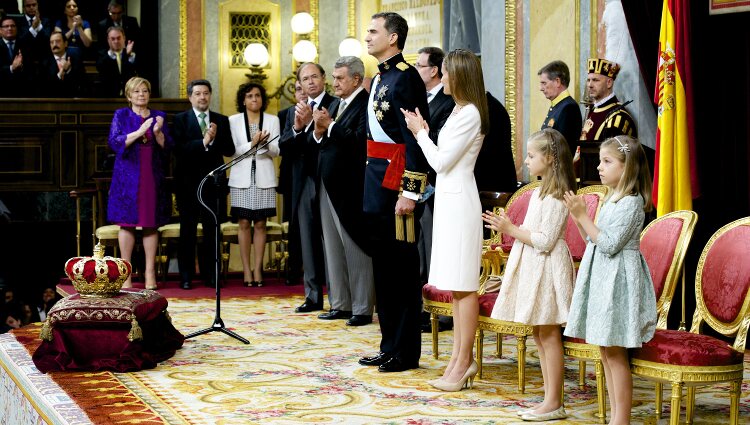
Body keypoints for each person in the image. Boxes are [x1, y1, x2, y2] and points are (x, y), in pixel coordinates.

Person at [402, 48, 488, 390]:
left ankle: (465, 361)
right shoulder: (458, 111)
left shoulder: (470, 115)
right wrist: (424, 131)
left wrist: (419, 133)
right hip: (450, 203)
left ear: (461, 76)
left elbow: (441, 162)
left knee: (464, 288)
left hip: (460, 201)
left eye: (448, 73)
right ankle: (457, 360)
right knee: (455, 288)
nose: (444, 77)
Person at [482, 128, 576, 419]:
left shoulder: (558, 195)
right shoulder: (539, 192)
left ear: (549, 159)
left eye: (532, 155)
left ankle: (555, 401)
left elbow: (546, 240)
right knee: (539, 332)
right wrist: (510, 225)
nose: (526, 160)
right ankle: (550, 398)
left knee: (548, 335)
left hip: (548, 268)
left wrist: (510, 230)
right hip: (535, 265)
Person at [563, 136, 656, 425]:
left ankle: (621, 419)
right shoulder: (612, 198)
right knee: (605, 351)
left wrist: (583, 216)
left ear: (627, 167)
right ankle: (616, 416)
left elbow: (610, 243)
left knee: (615, 354)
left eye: (607, 161)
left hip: (619, 282)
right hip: (604, 277)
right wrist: (579, 219)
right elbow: (592, 240)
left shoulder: (631, 202)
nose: (600, 167)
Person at [358, 12, 429, 373]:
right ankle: (389, 345)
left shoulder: (406, 78)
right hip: (375, 182)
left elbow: (415, 139)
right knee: (383, 270)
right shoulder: (382, 78)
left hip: (397, 183)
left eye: (373, 31)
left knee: (401, 271)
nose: (367, 37)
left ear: (394, 38)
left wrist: (411, 192)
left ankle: (405, 351)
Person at [312, 56, 374, 326]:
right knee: (333, 247)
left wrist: (331, 126)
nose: (334, 83)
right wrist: (317, 130)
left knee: (354, 245)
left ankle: (361, 307)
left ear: (357, 79)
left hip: (351, 186)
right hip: (328, 183)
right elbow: (324, 141)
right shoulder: (336, 103)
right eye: (334, 77)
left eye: (340, 78)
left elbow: (360, 143)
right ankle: (340, 303)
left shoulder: (365, 104)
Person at [279, 62, 335, 312]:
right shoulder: (295, 111)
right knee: (307, 241)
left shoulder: (335, 104)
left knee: (331, 242)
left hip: (329, 180)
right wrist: (298, 128)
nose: (310, 82)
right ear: (299, 84)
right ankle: (312, 296)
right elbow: (285, 147)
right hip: (303, 183)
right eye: (305, 78)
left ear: (324, 78)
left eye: (315, 76)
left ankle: (338, 297)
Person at [107, 77, 173, 290]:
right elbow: (115, 142)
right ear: (129, 96)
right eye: (136, 91)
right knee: (126, 222)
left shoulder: (159, 116)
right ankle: (125, 273)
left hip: (151, 173)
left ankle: (149, 273)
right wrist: (139, 131)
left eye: (145, 91)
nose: (141, 94)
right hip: (128, 173)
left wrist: (157, 133)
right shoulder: (122, 115)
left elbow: (167, 146)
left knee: (150, 222)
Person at [173, 79, 235, 290]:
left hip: (213, 185)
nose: (202, 97)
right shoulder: (180, 120)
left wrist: (215, 138)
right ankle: (186, 277)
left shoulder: (221, 120)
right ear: (190, 97)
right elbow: (178, 150)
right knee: (187, 231)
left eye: (206, 93)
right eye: (198, 93)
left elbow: (229, 149)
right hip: (187, 184)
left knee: (212, 231)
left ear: (210, 95)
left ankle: (211, 276)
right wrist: (203, 141)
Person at [227, 82, 280, 287]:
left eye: (257, 96)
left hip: (264, 177)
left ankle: (258, 269)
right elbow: (231, 150)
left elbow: (276, 150)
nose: (254, 99)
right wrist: (253, 143)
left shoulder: (272, 120)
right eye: (249, 96)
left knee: (260, 224)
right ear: (243, 100)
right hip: (241, 178)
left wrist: (264, 144)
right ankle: (246, 270)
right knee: (243, 224)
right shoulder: (233, 121)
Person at [414, 46, 454, 287]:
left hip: (436, 180)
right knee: (419, 245)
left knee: (433, 244)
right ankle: (422, 301)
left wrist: (420, 131)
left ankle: (437, 303)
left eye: (420, 65)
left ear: (434, 71)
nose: (416, 70)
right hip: (416, 180)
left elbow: (439, 138)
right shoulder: (419, 98)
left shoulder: (448, 101)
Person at [277, 80, 306, 286]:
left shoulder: (326, 107)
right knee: (294, 226)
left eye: (304, 88)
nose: (302, 92)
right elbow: (283, 146)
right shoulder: (285, 114)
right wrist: (297, 128)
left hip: (318, 175)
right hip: (293, 178)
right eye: (297, 89)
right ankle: (294, 269)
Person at [538, 60, 582, 158]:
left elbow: (562, 149)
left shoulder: (568, 108)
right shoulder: (558, 105)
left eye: (544, 83)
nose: (541, 88)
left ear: (557, 82)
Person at [42, 30, 86, 97]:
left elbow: (82, 84)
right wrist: (60, 74)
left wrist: (68, 70)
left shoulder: (76, 59)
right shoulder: (45, 63)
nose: (54, 44)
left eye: (58, 41)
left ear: (65, 43)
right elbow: (45, 89)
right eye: (51, 42)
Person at [96, 26, 136, 97]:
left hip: (129, 96)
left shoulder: (132, 55)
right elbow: (107, 75)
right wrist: (125, 55)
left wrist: (126, 56)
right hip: (108, 97)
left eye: (118, 38)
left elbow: (130, 75)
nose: (116, 41)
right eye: (113, 39)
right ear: (108, 40)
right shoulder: (102, 56)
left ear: (124, 38)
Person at [1, 16, 33, 97]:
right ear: (0, 30)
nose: (10, 28)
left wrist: (21, 67)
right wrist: (11, 68)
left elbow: (31, 68)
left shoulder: (26, 45)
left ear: (17, 29)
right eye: (6, 26)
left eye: (12, 26)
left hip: (23, 91)